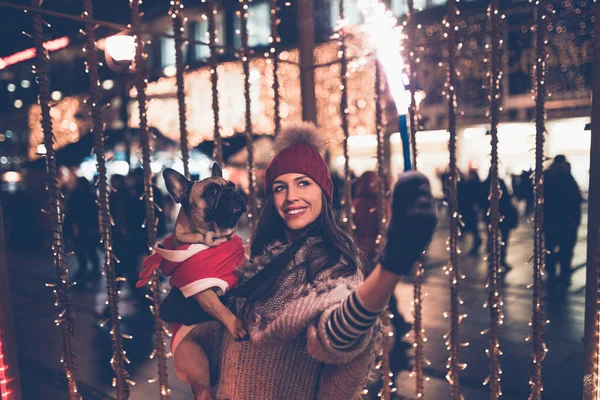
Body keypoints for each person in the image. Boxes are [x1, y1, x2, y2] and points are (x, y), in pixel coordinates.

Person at [204, 123, 437, 399]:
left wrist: (391, 266)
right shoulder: (255, 255)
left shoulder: (333, 264)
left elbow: (335, 333)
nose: (291, 197)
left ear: (323, 192)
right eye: (280, 187)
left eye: (303, 183)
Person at [543, 155, 583, 283]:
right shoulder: (567, 178)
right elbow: (576, 200)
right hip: (566, 220)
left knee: (551, 246)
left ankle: (551, 269)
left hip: (551, 219)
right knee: (565, 247)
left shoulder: (547, 177)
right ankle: (564, 271)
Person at [64, 177, 100, 288]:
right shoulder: (88, 195)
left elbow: (72, 213)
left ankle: (85, 275)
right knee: (87, 251)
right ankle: (87, 273)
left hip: (81, 227)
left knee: (85, 252)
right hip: (83, 227)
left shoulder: (79, 196)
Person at [481, 171, 518, 269]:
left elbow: (481, 201)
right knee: (502, 238)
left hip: (493, 215)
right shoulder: (499, 182)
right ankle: (500, 259)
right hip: (503, 214)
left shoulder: (485, 183)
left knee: (492, 238)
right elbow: (507, 198)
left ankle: (493, 259)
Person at [458, 169, 482, 255]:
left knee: (473, 227)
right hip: (468, 209)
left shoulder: (474, 184)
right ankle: (476, 240)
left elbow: (476, 196)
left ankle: (477, 241)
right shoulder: (469, 183)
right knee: (472, 227)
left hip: (471, 209)